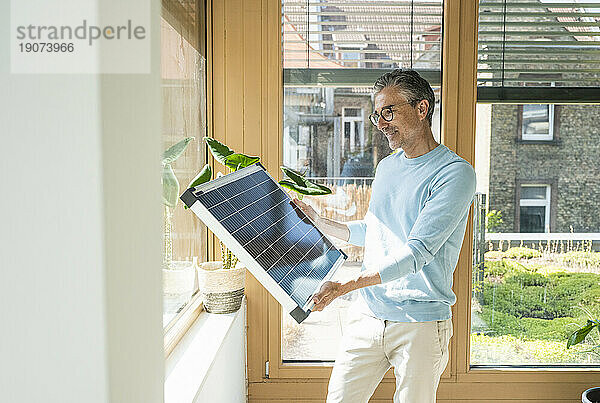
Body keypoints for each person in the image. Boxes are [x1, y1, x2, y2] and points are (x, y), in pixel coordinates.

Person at [293, 69, 476, 403]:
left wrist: (345, 286)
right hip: (369, 312)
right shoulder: (388, 167)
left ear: (422, 109)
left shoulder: (455, 174)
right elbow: (375, 231)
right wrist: (321, 222)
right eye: (377, 114)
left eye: (389, 111)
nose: (380, 123)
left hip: (419, 323)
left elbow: (416, 253)